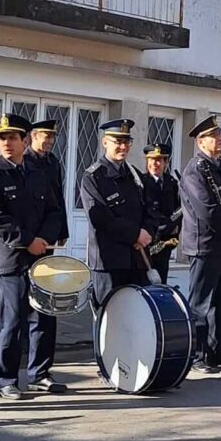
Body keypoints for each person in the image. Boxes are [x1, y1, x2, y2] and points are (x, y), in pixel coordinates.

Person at [0, 113, 67, 401]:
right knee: (13, 322)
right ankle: (6, 379)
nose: (6, 143)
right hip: (12, 261)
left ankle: (40, 373)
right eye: (2, 138)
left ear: (24, 141)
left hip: (41, 257)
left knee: (43, 317)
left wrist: (45, 239)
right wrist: (28, 241)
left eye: (12, 138)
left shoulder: (38, 173)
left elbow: (54, 209)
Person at [179, 114, 221, 373]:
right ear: (200, 142)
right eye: (214, 137)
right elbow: (207, 210)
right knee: (200, 303)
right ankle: (196, 355)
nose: (220, 140)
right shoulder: (195, 170)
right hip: (205, 245)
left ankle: (216, 350)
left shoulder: (218, 166)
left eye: (220, 135)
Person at [80, 118, 153, 308]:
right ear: (105, 142)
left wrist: (146, 233)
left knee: (136, 316)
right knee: (109, 318)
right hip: (109, 262)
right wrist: (134, 234)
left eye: (126, 142)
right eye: (117, 141)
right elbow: (101, 219)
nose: (123, 146)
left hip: (136, 260)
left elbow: (150, 210)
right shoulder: (93, 177)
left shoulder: (134, 175)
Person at [24, 119, 69, 248]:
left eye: (53, 137)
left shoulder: (53, 162)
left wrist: (63, 231)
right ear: (34, 136)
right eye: (47, 137)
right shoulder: (23, 160)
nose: (50, 141)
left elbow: (58, 197)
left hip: (50, 230)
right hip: (30, 229)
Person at [142, 142, 180, 284]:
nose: (155, 164)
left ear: (166, 162)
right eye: (152, 160)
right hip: (149, 239)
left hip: (165, 240)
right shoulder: (141, 182)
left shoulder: (172, 183)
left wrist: (175, 230)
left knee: (162, 277)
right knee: (145, 280)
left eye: (159, 160)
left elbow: (177, 208)